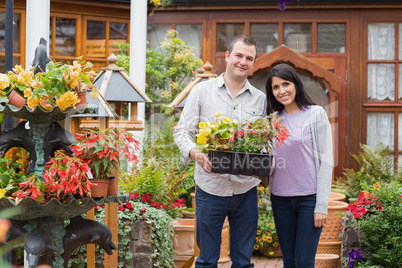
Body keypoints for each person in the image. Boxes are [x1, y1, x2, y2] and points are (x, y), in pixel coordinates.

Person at [173, 35, 267, 268]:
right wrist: (195, 153)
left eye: (249, 58)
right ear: (227, 56)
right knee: (206, 261)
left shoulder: (260, 100)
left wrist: (264, 159)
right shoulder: (202, 91)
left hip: (246, 190)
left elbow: (265, 142)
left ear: (253, 64)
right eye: (238, 55)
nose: (243, 61)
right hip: (210, 188)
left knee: (243, 262)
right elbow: (182, 131)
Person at [265, 63, 333, 268]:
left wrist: (321, 205)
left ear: (296, 84)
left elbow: (326, 162)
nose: (281, 91)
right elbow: (271, 164)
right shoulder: (273, 121)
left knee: (304, 262)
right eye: (275, 87)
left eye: (285, 84)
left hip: (308, 200)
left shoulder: (315, 114)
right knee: (289, 261)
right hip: (280, 199)